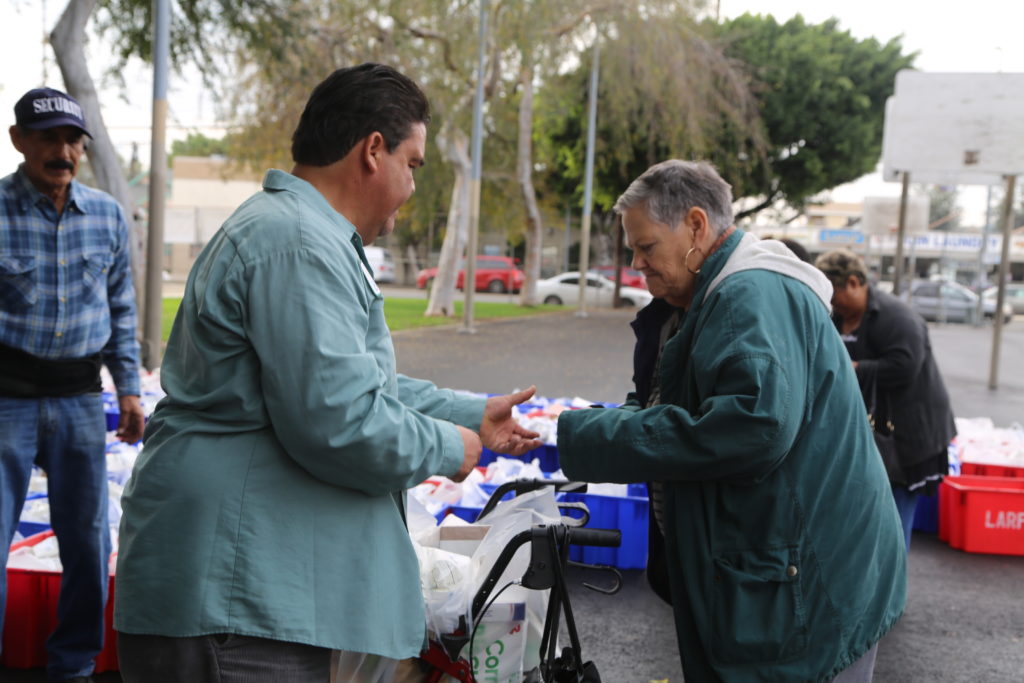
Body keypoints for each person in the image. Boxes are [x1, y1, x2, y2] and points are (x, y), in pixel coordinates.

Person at [113, 63, 541, 682]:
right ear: (373, 151)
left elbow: (355, 383)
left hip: (241, 590)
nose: (412, 188)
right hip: (235, 599)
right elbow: (340, 421)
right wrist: (452, 446)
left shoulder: (299, 234)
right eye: (413, 165)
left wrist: (466, 413)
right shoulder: (297, 243)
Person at [556, 160, 906, 682]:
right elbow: (665, 402)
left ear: (696, 226)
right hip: (790, 570)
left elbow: (754, 427)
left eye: (646, 247)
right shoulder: (705, 293)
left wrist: (583, 435)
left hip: (808, 586)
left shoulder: (748, 295)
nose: (636, 264)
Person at [0, 87, 144, 683]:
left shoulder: (107, 215)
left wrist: (130, 388)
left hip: (83, 401)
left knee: (88, 542)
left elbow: (122, 309)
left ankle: (74, 665)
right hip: (6, 400)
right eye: (47, 138)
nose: (62, 150)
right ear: (18, 142)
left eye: (71, 140)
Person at [816, 249, 956, 548]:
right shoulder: (839, 317)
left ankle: (892, 588)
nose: (831, 303)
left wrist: (852, 368)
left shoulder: (896, 317)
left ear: (854, 282)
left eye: (834, 293)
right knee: (866, 519)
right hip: (874, 432)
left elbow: (905, 367)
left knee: (893, 519)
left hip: (910, 434)